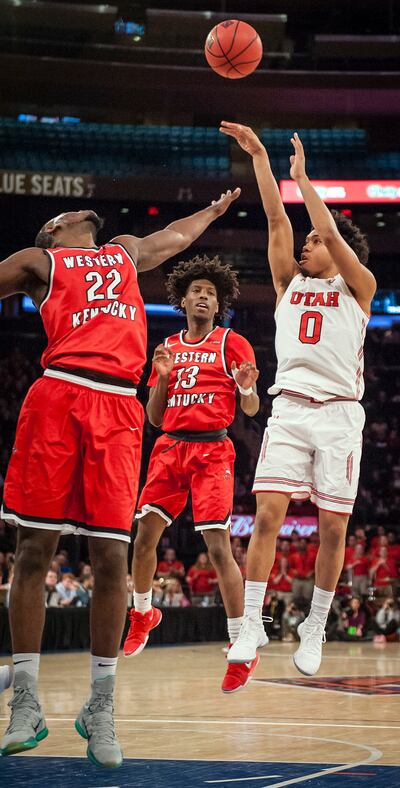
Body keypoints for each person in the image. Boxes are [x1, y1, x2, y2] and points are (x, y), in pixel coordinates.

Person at [0, 190, 239, 766]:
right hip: (58, 394)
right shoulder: (38, 263)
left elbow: (174, 239)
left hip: (117, 407)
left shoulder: (123, 252)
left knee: (111, 557)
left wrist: (211, 212)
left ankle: (100, 705)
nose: (86, 214)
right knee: (33, 550)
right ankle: (26, 700)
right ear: (53, 232)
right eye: (70, 216)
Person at [220, 121, 376, 677]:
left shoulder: (359, 287)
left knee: (333, 528)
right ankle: (251, 627)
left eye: (314, 242)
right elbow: (276, 217)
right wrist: (262, 159)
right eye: (306, 242)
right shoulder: (289, 282)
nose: (305, 245)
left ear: (336, 251)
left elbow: (328, 232)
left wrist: (306, 179)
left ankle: (315, 627)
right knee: (266, 519)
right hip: (288, 407)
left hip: (338, 415)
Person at [123, 254, 260, 694]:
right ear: (183, 299)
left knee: (218, 548)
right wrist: (162, 377)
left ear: (218, 306)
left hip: (211, 449)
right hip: (169, 447)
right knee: (144, 536)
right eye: (196, 291)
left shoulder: (231, 343)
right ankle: (142, 612)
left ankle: (241, 641)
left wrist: (245, 387)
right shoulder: (167, 347)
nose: (203, 297)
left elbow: (253, 407)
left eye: (211, 293)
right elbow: (155, 419)